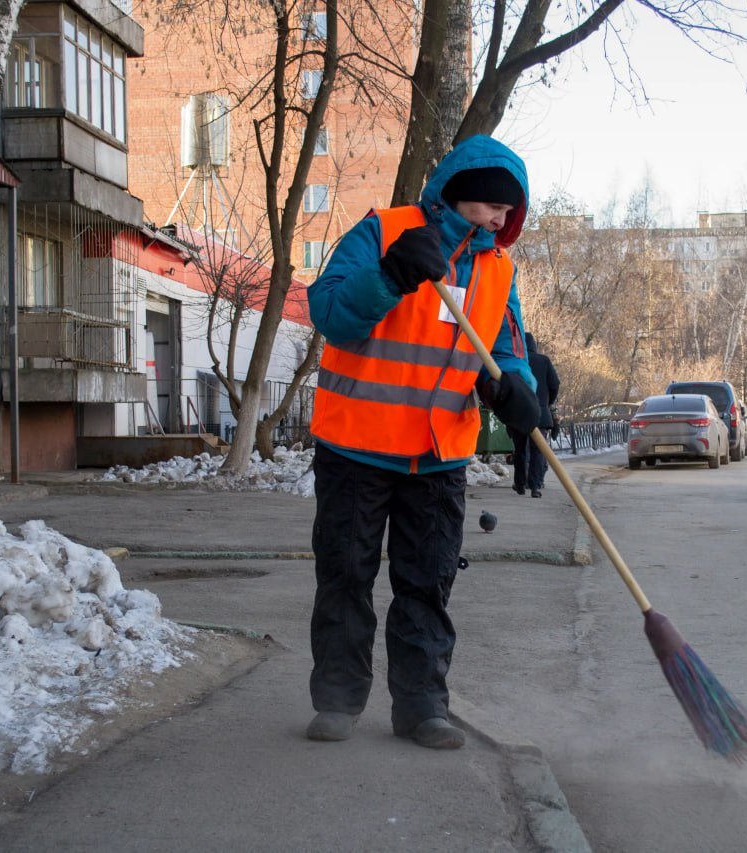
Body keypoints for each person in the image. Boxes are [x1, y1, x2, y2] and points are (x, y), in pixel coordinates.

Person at [303, 135, 538, 750]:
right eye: (495, 207)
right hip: (358, 447)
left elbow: (507, 348)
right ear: (465, 194)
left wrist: (516, 389)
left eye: (509, 213)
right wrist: (391, 276)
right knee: (345, 579)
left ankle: (423, 707)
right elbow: (329, 313)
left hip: (439, 457)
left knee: (427, 587)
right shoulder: (385, 232)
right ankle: (337, 701)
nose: (502, 220)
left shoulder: (498, 269)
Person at [509, 332, 560, 498]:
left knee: (520, 450)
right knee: (538, 451)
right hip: (540, 414)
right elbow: (555, 384)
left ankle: (520, 484)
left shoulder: (516, 361)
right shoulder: (544, 361)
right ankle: (536, 486)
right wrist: (547, 402)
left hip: (519, 413)